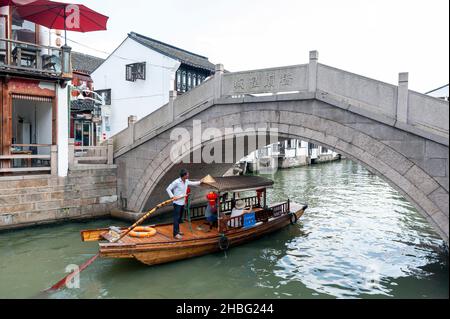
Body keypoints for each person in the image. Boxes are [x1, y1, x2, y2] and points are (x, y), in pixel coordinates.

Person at [166, 169, 203, 239]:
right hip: (177, 203)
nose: (188, 175)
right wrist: (172, 197)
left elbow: (193, 183)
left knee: (179, 218)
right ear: (184, 175)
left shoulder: (186, 181)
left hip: (182, 202)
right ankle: (175, 234)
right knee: (176, 218)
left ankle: (178, 231)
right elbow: (168, 189)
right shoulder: (176, 182)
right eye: (187, 174)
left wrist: (200, 181)